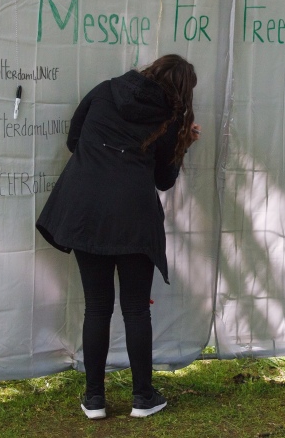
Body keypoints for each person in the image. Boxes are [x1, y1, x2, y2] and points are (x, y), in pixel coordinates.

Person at [36, 54, 200, 420]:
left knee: (97, 307)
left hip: (86, 211)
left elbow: (74, 140)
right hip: (134, 217)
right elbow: (163, 180)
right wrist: (183, 144)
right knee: (135, 309)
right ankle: (143, 397)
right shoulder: (170, 118)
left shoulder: (106, 90)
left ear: (151, 70)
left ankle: (94, 399)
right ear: (181, 91)